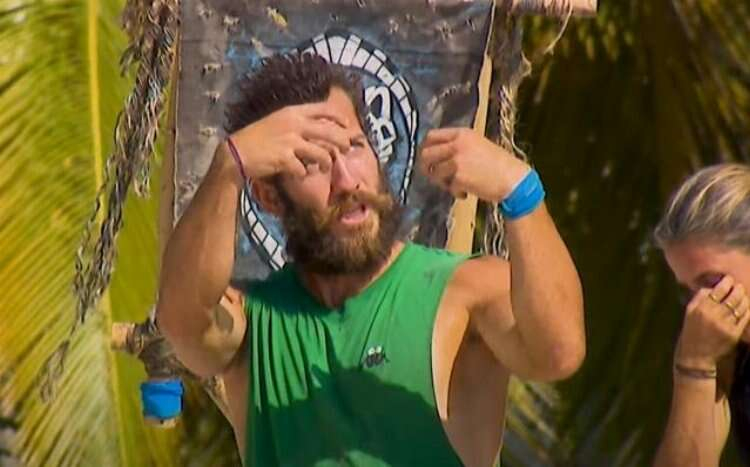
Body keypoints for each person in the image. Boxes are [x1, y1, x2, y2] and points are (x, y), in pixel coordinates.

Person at [156, 52, 585, 466]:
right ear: (269, 196)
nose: (347, 181)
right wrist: (228, 167)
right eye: (313, 163)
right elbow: (181, 320)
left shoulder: (464, 291)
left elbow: (558, 352)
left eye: (355, 147)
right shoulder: (256, 320)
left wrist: (520, 190)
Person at [653, 163, 750, 466]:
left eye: (711, 282)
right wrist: (695, 367)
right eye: (688, 291)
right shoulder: (730, 354)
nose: (701, 306)